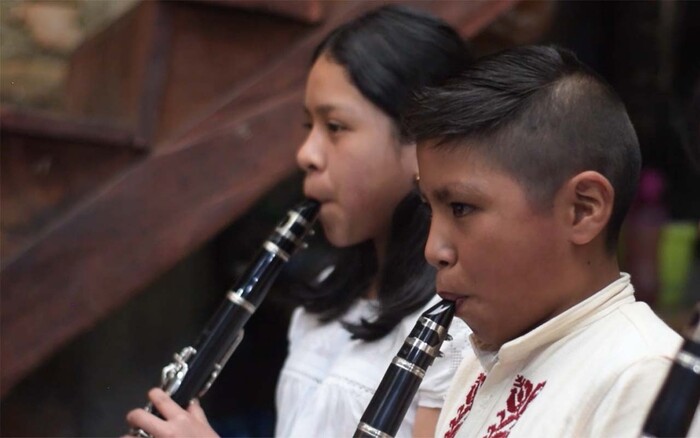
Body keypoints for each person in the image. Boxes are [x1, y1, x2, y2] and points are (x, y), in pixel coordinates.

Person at [125, 5, 473, 438]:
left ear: (422, 140)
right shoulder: (326, 296)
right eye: (309, 126)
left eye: (335, 126)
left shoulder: (463, 328)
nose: (306, 153)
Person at [405, 45, 684, 437]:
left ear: (582, 210)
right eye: (429, 209)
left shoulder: (644, 378)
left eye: (462, 208)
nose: (433, 250)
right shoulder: (479, 360)